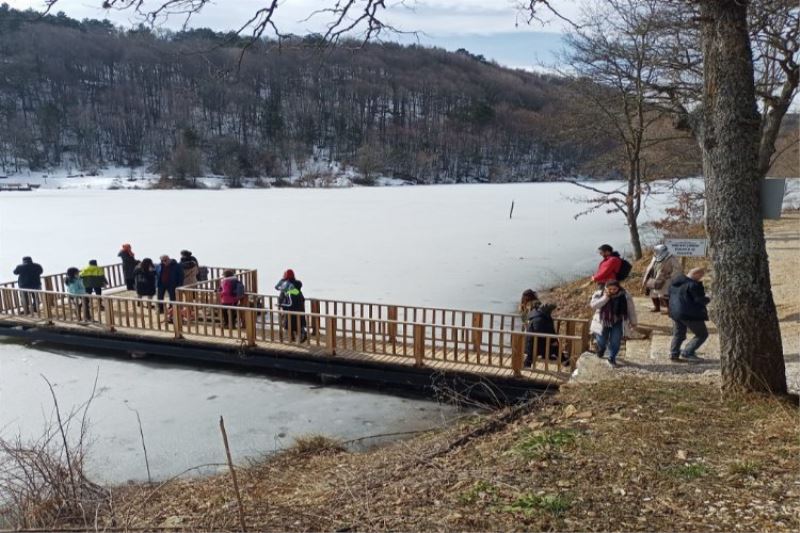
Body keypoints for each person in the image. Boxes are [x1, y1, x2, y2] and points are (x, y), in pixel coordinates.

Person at [589, 280, 637, 367]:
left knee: (615, 341)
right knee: (602, 340)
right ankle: (601, 349)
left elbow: (631, 309)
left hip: (618, 322)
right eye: (609, 289)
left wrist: (633, 322)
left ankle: (612, 358)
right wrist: (605, 298)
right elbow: (593, 305)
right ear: (606, 288)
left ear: (618, 288)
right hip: (603, 322)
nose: (612, 291)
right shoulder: (599, 294)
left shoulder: (625, 295)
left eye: (614, 289)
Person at [668, 268, 710, 362]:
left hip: (675, 313)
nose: (701, 278)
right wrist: (709, 298)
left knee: (678, 334)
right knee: (702, 334)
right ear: (696, 274)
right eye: (700, 276)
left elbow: (669, 296)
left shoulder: (675, 281)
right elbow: (699, 300)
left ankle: (674, 354)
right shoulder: (694, 285)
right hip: (690, 314)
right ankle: (688, 352)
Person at [642, 244, 682, 313]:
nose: (655, 251)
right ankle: (656, 307)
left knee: (664, 294)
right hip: (653, 277)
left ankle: (670, 310)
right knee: (653, 294)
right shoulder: (655, 257)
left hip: (665, 279)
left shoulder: (671, 258)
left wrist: (670, 276)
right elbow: (651, 266)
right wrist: (647, 275)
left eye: (657, 250)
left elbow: (678, 269)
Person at [524, 302, 561, 367]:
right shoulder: (538, 319)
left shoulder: (543, 316)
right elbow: (539, 331)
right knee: (554, 347)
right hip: (534, 342)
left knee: (555, 346)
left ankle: (564, 360)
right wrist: (552, 341)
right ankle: (566, 362)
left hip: (538, 342)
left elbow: (549, 330)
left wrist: (553, 340)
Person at [276, 269, 306, 342]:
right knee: (299, 323)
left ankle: (292, 338)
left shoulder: (286, 286)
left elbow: (282, 299)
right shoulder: (296, 286)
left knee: (288, 322)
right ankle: (301, 334)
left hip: (290, 310)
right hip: (300, 309)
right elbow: (302, 298)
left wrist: (280, 304)